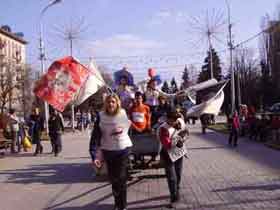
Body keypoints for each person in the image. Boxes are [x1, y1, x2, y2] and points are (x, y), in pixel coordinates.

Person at [93, 94, 132, 210]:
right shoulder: (100, 116)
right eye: (109, 102)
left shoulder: (123, 113)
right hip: (108, 150)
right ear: (106, 103)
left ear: (117, 103)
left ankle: (123, 205)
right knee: (113, 179)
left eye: (113, 102)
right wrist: (96, 155)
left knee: (121, 177)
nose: (111, 104)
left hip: (122, 149)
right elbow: (96, 135)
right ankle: (117, 203)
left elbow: (128, 129)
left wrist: (124, 139)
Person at [158, 109, 188, 208]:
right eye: (172, 120)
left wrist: (183, 138)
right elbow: (167, 144)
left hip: (178, 153)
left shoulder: (180, 122)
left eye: (175, 120)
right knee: (172, 178)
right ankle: (173, 198)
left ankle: (177, 192)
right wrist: (178, 140)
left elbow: (186, 133)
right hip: (167, 155)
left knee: (178, 175)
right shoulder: (163, 128)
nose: (174, 122)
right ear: (167, 119)